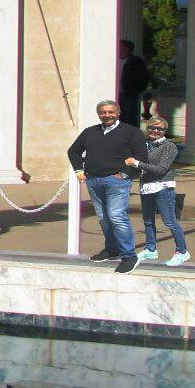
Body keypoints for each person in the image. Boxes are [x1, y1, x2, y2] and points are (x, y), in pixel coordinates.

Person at [67, 100, 149, 274]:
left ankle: (129, 256)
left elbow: (141, 155)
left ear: (118, 112)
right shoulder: (90, 132)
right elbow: (73, 151)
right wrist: (79, 170)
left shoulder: (131, 132)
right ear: (99, 114)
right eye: (103, 112)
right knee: (104, 217)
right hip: (93, 180)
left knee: (116, 216)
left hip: (117, 181)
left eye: (111, 112)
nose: (107, 115)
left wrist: (125, 173)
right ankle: (112, 249)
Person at [128, 117, 188, 266]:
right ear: (147, 128)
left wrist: (136, 163)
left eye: (159, 129)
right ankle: (150, 249)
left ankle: (182, 251)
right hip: (146, 187)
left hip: (163, 187)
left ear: (164, 131)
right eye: (152, 128)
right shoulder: (145, 145)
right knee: (148, 221)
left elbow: (161, 169)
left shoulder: (169, 147)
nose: (155, 131)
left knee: (170, 221)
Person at [118, 40, 150, 122]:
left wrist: (136, 90)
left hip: (129, 95)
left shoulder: (136, 62)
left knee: (130, 116)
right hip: (116, 94)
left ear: (127, 48)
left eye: (120, 45)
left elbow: (144, 77)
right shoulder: (113, 60)